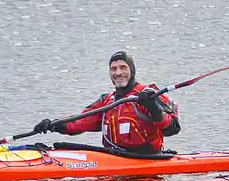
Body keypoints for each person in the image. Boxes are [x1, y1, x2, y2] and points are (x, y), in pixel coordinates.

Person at [32, 51, 181, 154]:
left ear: (132, 70)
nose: (118, 73)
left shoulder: (149, 94)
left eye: (123, 67)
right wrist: (53, 125)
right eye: (113, 69)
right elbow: (79, 123)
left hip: (147, 162)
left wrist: (152, 107)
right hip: (113, 159)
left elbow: (173, 129)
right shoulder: (107, 101)